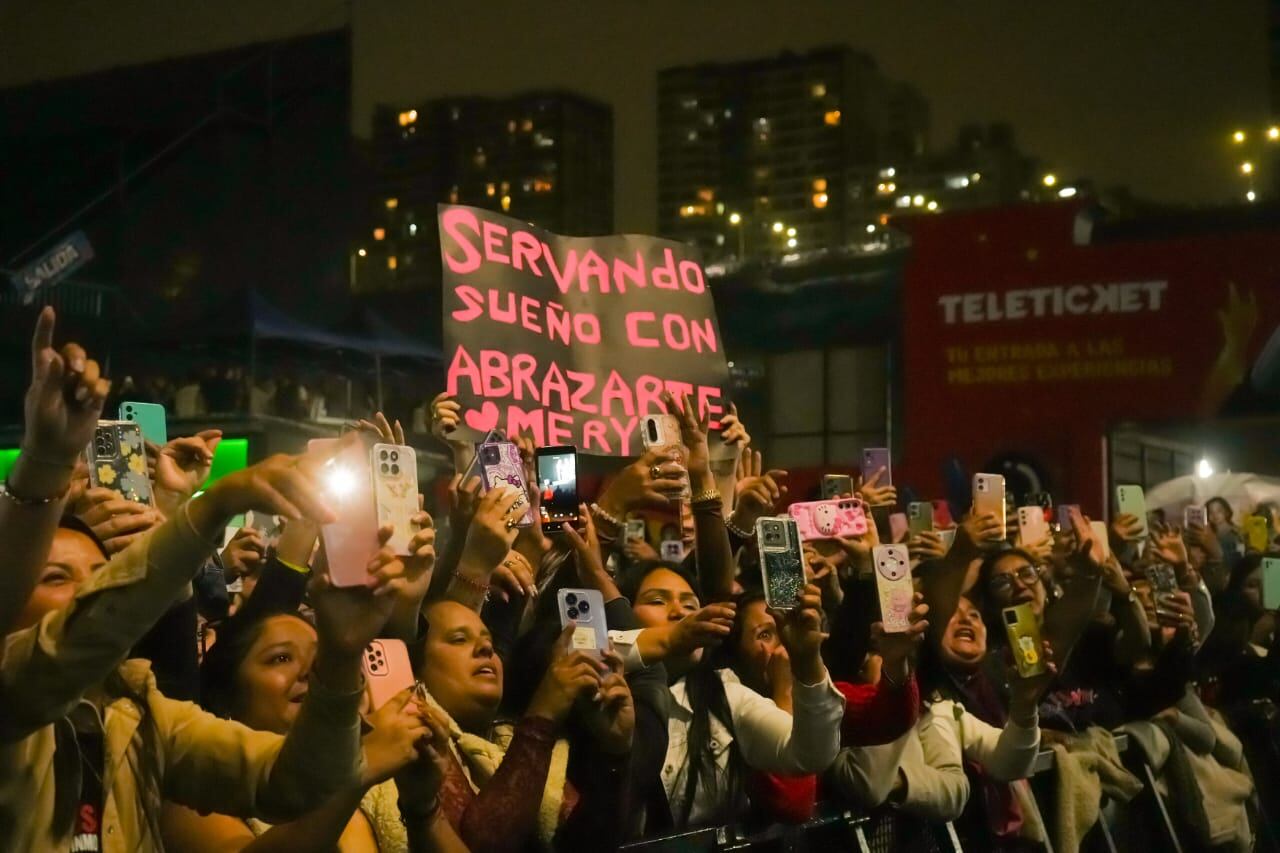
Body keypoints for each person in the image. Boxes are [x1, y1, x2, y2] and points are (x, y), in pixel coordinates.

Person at [0, 424, 397, 850]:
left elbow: (299, 783)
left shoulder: (141, 716)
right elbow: (65, 648)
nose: (89, 592)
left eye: (103, 576)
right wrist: (214, 505)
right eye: (57, 577)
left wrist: (340, 653)